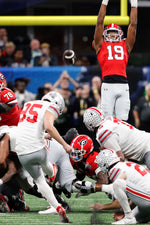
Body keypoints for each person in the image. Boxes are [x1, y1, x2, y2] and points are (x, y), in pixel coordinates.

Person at [15, 91, 71, 223]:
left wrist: (44, 136)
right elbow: (49, 127)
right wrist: (65, 145)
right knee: (47, 166)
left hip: (21, 151)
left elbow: (27, 129)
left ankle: (57, 207)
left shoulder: (28, 103)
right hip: (38, 149)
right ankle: (51, 171)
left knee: (39, 181)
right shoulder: (52, 107)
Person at [77, 149, 150, 224]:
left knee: (118, 184)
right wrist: (123, 211)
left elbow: (118, 200)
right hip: (145, 196)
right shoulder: (124, 165)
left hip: (147, 198)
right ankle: (134, 217)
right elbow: (135, 196)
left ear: (105, 162)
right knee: (137, 219)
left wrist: (102, 206)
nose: (100, 166)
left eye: (100, 164)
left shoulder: (114, 170)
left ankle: (129, 217)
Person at [93, 0, 137, 120]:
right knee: (106, 121)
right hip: (108, 85)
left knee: (123, 121)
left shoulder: (126, 45)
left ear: (120, 34)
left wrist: (134, 4)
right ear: (105, 34)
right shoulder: (100, 45)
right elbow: (99, 22)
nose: (112, 35)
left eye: (114, 33)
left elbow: (133, 24)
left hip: (123, 85)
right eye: (110, 33)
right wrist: (104, 2)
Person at [83, 106, 150, 169]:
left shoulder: (102, 133)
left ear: (89, 124)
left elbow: (121, 158)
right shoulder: (110, 120)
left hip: (146, 148)